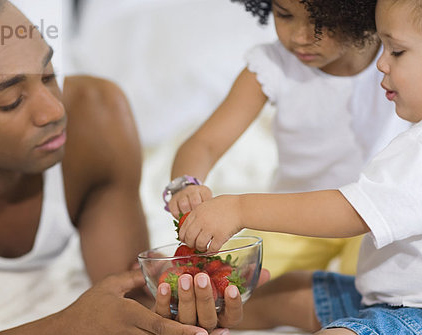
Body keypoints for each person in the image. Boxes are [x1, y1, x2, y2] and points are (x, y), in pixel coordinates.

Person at [175, 0, 422, 335]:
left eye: (396, 51)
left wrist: (240, 207)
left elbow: (350, 213)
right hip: (411, 299)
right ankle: (187, 317)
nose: (381, 65)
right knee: (292, 290)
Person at [0, 0, 250, 335]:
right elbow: (79, 330)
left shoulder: (96, 117)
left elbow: (128, 300)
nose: (53, 111)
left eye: (50, 75)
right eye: (12, 101)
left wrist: (200, 300)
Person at [165, 0, 409, 278]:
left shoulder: (399, 59)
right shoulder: (273, 65)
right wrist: (185, 185)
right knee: (223, 282)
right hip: (293, 218)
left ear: (359, 13)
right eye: (284, 14)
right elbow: (204, 144)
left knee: (378, 290)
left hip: (369, 218)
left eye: (322, 22)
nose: (299, 37)